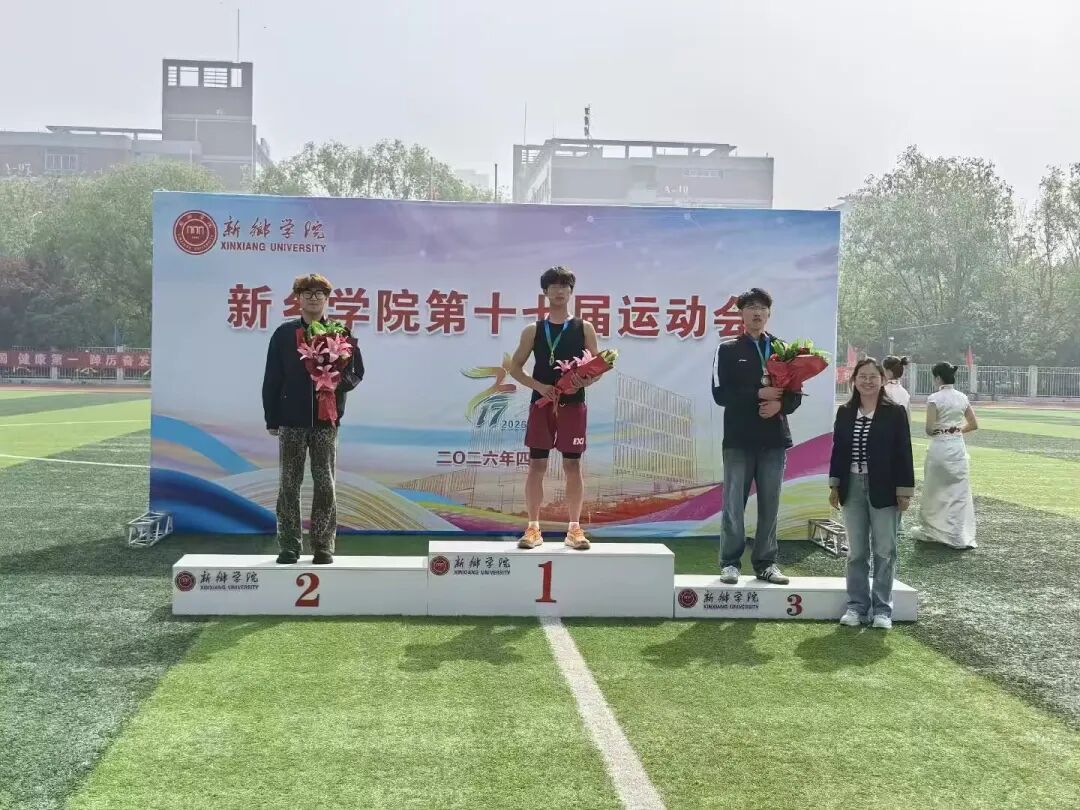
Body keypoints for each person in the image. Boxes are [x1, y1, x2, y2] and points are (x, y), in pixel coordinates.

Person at [262, 273, 364, 565]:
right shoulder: (284, 334)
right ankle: (289, 546)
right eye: (307, 292)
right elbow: (272, 378)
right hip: (290, 420)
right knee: (289, 484)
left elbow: (356, 372)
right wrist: (272, 418)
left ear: (327, 298)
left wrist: (334, 382)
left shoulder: (340, 332)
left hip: (326, 421)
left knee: (325, 484)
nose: (313, 297)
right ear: (298, 298)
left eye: (319, 293)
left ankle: (323, 545)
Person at [711, 287, 801, 584]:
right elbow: (720, 394)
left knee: (770, 504)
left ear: (769, 313)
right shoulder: (727, 349)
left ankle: (766, 563)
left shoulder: (783, 349)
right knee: (733, 504)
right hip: (738, 439)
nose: (757, 312)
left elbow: (795, 394)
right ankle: (730, 562)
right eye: (750, 307)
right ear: (741, 313)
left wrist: (779, 405)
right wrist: (757, 394)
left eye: (762, 307)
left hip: (773, 439)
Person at [506, 266, 600, 550]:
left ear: (571, 291)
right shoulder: (533, 330)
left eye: (564, 286)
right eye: (554, 286)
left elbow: (597, 367)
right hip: (542, 404)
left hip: (573, 404)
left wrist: (584, 380)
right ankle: (533, 528)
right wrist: (538, 386)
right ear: (545, 292)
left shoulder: (584, 327)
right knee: (537, 465)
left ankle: (574, 529)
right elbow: (515, 367)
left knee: (573, 465)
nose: (559, 291)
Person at [829, 357, 915, 630]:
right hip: (851, 486)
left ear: (883, 380)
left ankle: (882, 610)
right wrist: (834, 485)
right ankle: (856, 606)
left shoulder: (895, 412)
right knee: (856, 552)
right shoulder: (845, 412)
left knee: (885, 551)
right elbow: (838, 450)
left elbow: (903, 452)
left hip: (885, 488)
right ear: (854, 380)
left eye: (873, 377)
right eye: (862, 376)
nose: (867, 381)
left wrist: (904, 491)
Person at [909, 362, 978, 549]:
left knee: (934, 490)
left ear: (938, 378)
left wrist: (943, 430)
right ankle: (957, 534)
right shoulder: (962, 397)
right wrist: (956, 430)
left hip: (939, 447)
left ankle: (933, 530)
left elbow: (929, 429)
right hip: (957, 447)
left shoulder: (934, 398)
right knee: (959, 493)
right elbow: (973, 424)